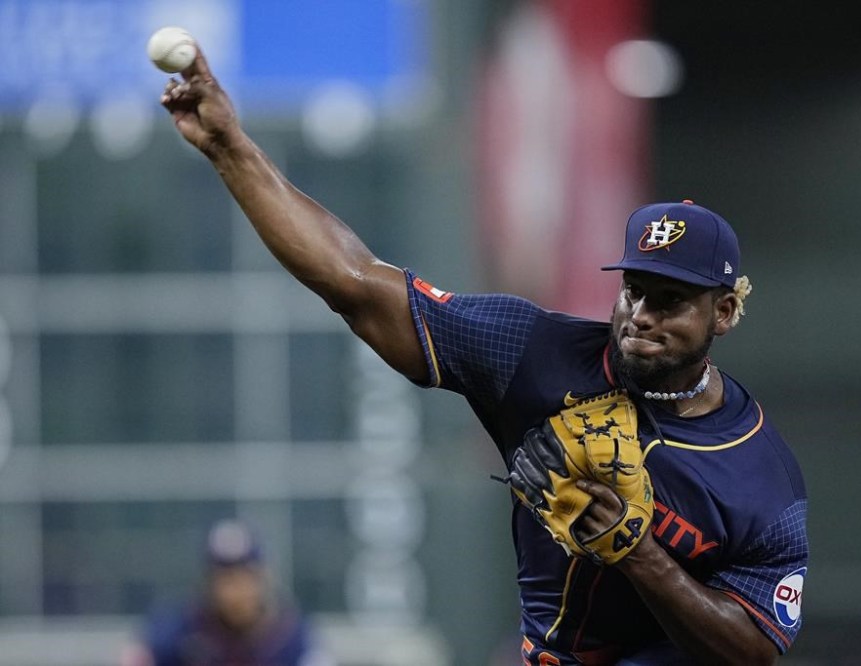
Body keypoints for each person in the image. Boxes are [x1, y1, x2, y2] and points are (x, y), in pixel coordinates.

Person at [157, 47, 808, 665]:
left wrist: (639, 553)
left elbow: (751, 651)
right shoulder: (533, 352)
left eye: (670, 300)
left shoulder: (761, 474)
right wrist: (228, 148)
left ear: (723, 312)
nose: (641, 316)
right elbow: (353, 281)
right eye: (634, 290)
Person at [120, 519, 334, 666]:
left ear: (262, 578)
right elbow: (136, 656)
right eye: (225, 579)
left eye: (244, 577)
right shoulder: (182, 626)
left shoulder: (290, 635)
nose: (235, 591)